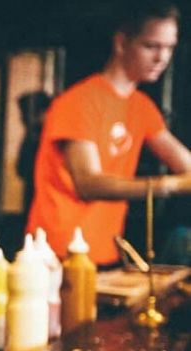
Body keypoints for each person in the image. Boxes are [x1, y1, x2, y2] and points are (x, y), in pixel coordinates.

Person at [26, 0, 191, 265]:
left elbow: (187, 166)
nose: (162, 58)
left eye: (169, 47)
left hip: (106, 253)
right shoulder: (79, 101)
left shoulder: (142, 107)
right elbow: (88, 184)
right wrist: (166, 186)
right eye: (151, 46)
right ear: (122, 43)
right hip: (56, 255)